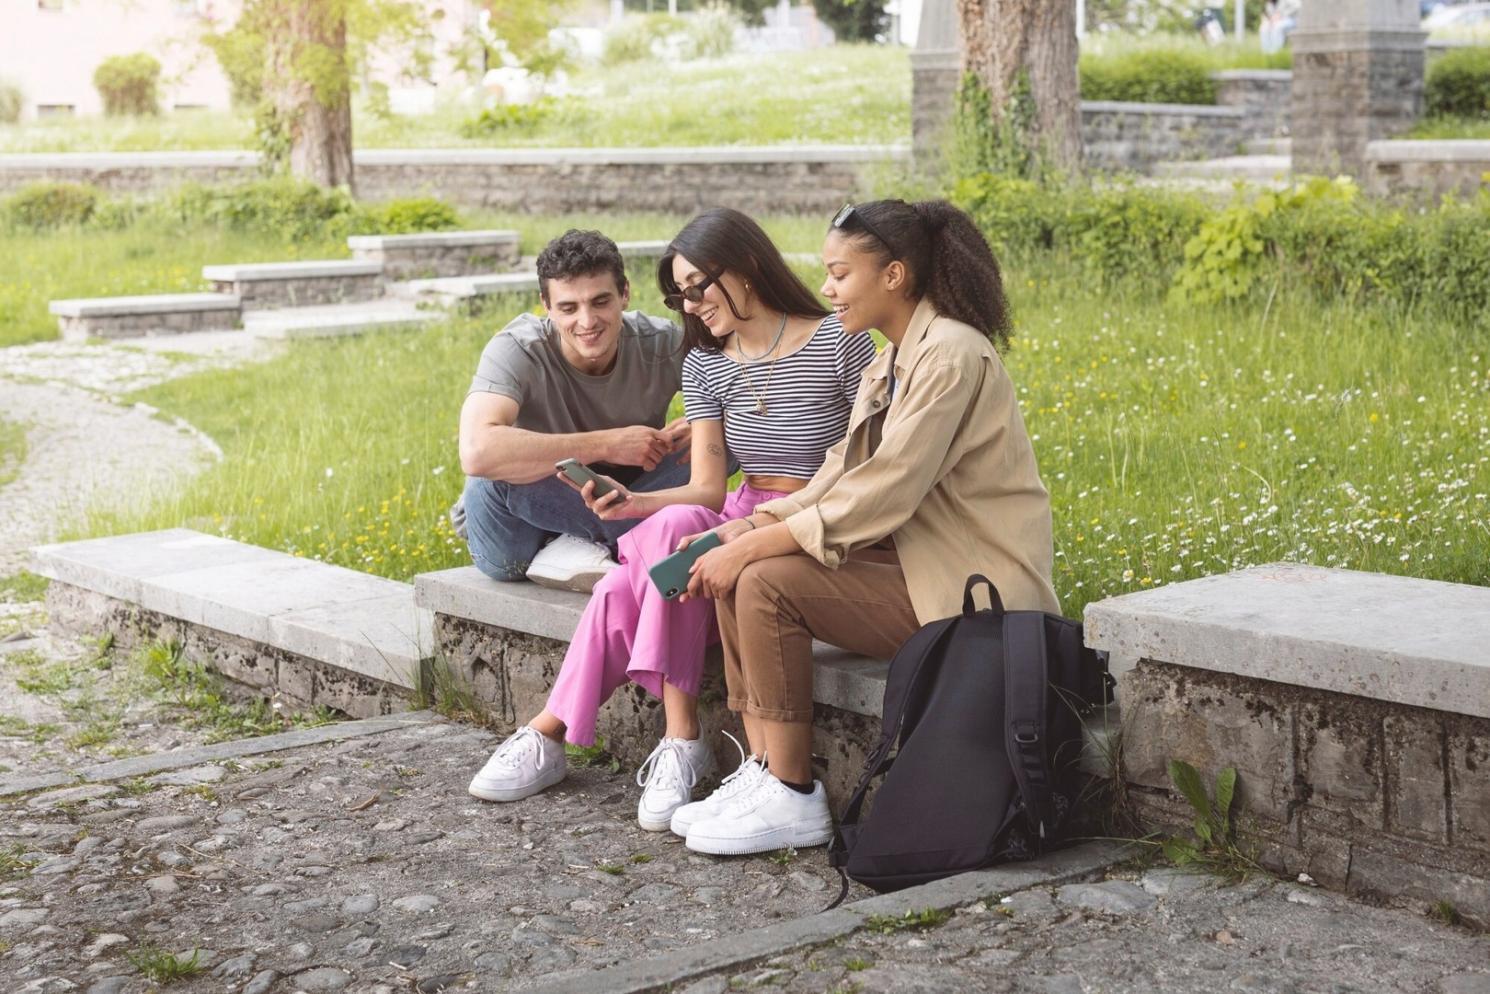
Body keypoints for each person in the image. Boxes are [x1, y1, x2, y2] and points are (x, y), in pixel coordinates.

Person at [669, 199, 1062, 856]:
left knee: (766, 582)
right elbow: (838, 474)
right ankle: (763, 767)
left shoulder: (952, 356)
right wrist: (744, 529)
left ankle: (794, 795)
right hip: (924, 569)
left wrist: (756, 546)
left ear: (895, 275)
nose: (826, 288)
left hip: (978, 594)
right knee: (745, 570)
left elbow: (885, 491)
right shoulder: (892, 360)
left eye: (840, 273)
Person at [467, 208, 878, 833]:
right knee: (670, 524)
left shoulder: (841, 341)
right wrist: (629, 504)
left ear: (745, 270)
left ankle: (563, 732)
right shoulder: (705, 360)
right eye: (679, 292)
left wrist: (746, 523)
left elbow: (860, 461)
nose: (688, 304)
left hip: (809, 515)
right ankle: (679, 739)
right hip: (738, 505)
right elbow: (709, 487)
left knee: (620, 582)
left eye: (697, 287)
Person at [456, 229, 693, 593]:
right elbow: (476, 451)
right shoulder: (518, 347)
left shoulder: (662, 343)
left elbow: (747, 396)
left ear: (624, 293)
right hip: (520, 532)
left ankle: (585, 544)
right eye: (568, 308)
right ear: (547, 306)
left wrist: (702, 423)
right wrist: (606, 445)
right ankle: (612, 541)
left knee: (722, 441)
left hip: (620, 495)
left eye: (600, 302)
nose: (587, 322)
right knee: (494, 470)